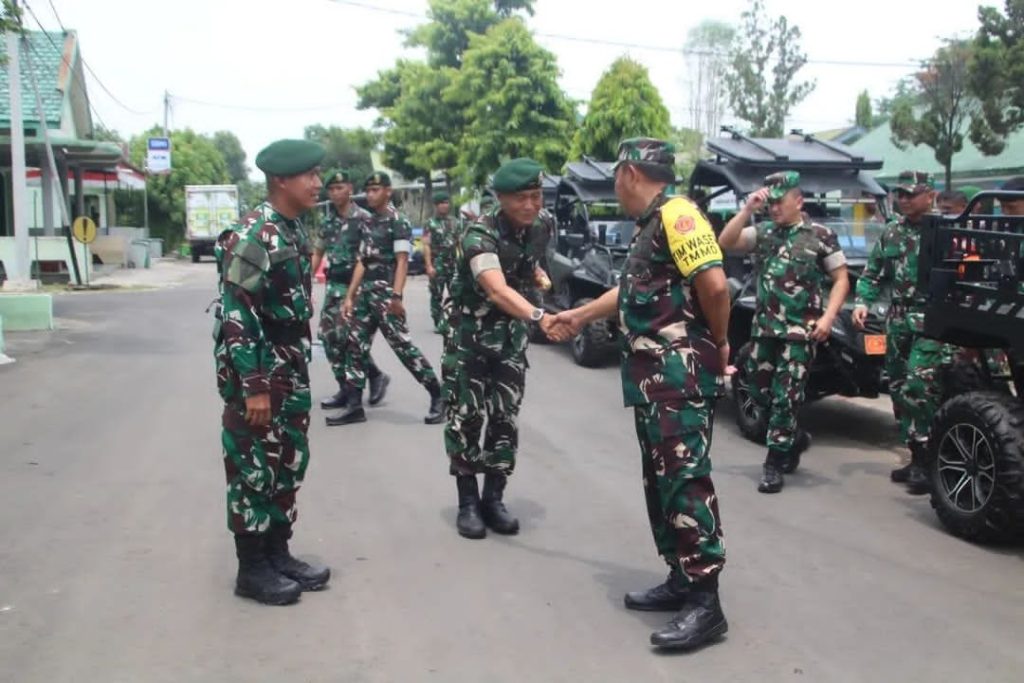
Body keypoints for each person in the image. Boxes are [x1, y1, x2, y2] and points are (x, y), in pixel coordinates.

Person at [555, 138, 731, 651]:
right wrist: (580, 314)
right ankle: (680, 578)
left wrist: (718, 343)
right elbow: (632, 293)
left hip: (678, 377)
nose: (615, 187)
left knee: (685, 482)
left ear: (630, 173)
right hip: (655, 382)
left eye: (615, 177)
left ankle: (706, 601)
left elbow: (716, 287)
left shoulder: (679, 215)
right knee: (661, 484)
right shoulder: (652, 226)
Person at [213, 139, 331, 605]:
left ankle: (278, 552)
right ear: (281, 179)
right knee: (252, 469)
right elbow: (236, 312)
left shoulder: (293, 230)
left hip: (291, 365)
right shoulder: (253, 234)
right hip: (260, 368)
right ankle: (252, 568)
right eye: (310, 175)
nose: (318, 183)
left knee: (287, 461)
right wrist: (254, 386)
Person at [445, 158, 559, 541]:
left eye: (537, 196)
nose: (531, 205)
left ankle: (494, 498)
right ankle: (467, 503)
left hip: (510, 340)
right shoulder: (480, 234)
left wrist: (538, 276)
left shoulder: (541, 226)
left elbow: (531, 266)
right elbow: (495, 288)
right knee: (467, 418)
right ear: (500, 198)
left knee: (505, 418)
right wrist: (540, 315)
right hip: (470, 341)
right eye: (522, 198)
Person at [718, 171, 850, 493]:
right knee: (759, 394)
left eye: (780, 202)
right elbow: (726, 241)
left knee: (786, 397)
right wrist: (748, 209)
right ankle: (794, 439)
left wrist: (828, 317)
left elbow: (841, 279)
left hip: (800, 333)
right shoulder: (763, 233)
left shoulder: (820, 234)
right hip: (764, 329)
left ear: (798, 200)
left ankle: (773, 463)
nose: (774, 208)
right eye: (771, 202)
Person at [853, 171, 948, 494]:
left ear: (929, 194)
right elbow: (873, 272)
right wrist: (862, 302)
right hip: (898, 319)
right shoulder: (892, 232)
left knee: (917, 387)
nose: (903, 200)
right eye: (900, 194)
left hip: (933, 321)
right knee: (896, 389)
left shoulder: (946, 230)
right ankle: (916, 455)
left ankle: (929, 460)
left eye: (911, 194)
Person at [329, 172, 445, 426]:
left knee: (403, 348)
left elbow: (402, 261)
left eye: (376, 190)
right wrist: (350, 297)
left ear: (388, 192)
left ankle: (438, 395)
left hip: (386, 294)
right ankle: (354, 405)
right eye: (368, 191)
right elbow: (362, 260)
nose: (370, 195)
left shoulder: (398, 222)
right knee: (354, 346)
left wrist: (397, 296)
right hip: (366, 294)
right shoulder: (368, 222)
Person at [311, 169, 389, 413]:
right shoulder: (328, 220)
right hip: (334, 285)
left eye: (340, 188)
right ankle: (352, 384)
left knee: (350, 340)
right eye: (331, 189)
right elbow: (318, 252)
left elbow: (364, 259)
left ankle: (362, 383)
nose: (335, 193)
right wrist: (306, 280)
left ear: (350, 189)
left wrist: (352, 294)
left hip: (357, 287)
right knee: (328, 337)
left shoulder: (364, 218)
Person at [423, 191, 458, 335]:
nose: (445, 206)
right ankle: (438, 322)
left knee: (456, 293)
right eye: (442, 203)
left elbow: (459, 243)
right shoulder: (430, 223)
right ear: (436, 205)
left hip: (453, 263)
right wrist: (429, 265)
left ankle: (453, 321)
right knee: (436, 294)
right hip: (437, 263)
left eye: (447, 202)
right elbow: (426, 245)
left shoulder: (455, 222)